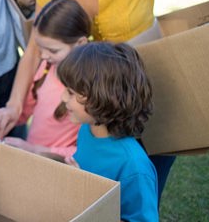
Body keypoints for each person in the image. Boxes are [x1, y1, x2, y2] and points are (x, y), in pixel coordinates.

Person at [0, 0, 209, 198]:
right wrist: (14, 106)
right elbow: (35, 49)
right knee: (95, 193)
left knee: (142, 186)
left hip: (146, 99)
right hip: (94, 113)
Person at [58, 42, 158, 222]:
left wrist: (88, 199)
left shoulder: (134, 166)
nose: (63, 98)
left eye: (71, 93)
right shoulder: (87, 130)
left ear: (101, 97)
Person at [2, 0, 90, 160]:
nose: (43, 55)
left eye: (53, 50)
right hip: (34, 158)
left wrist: (35, 150)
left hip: (57, 168)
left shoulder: (89, 91)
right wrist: (9, 115)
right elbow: (28, 109)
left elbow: (85, 152)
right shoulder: (47, 67)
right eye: (40, 48)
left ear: (81, 43)